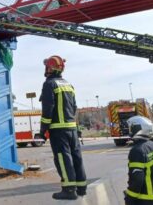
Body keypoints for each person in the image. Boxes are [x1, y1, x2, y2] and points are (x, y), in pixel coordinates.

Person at [39, 55, 87, 200]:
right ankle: (81, 187)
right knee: (76, 157)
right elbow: (74, 107)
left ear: (51, 68)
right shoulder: (68, 85)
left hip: (58, 130)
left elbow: (48, 109)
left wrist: (43, 129)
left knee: (63, 158)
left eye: (47, 66)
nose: (46, 69)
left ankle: (69, 190)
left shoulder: (49, 84)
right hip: (72, 128)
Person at [124, 116, 153, 205]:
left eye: (131, 127)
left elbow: (137, 179)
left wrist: (129, 198)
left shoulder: (137, 151)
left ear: (138, 128)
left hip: (145, 201)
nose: (130, 130)